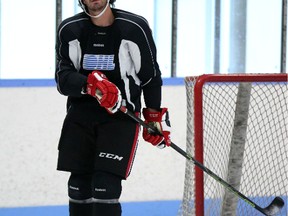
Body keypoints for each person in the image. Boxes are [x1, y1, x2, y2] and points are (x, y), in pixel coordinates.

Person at [55, 0, 171, 215]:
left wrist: (153, 115)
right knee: (78, 186)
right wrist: (90, 85)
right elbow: (62, 79)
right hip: (80, 116)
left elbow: (150, 76)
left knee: (105, 186)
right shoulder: (70, 30)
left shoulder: (134, 28)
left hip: (121, 117)